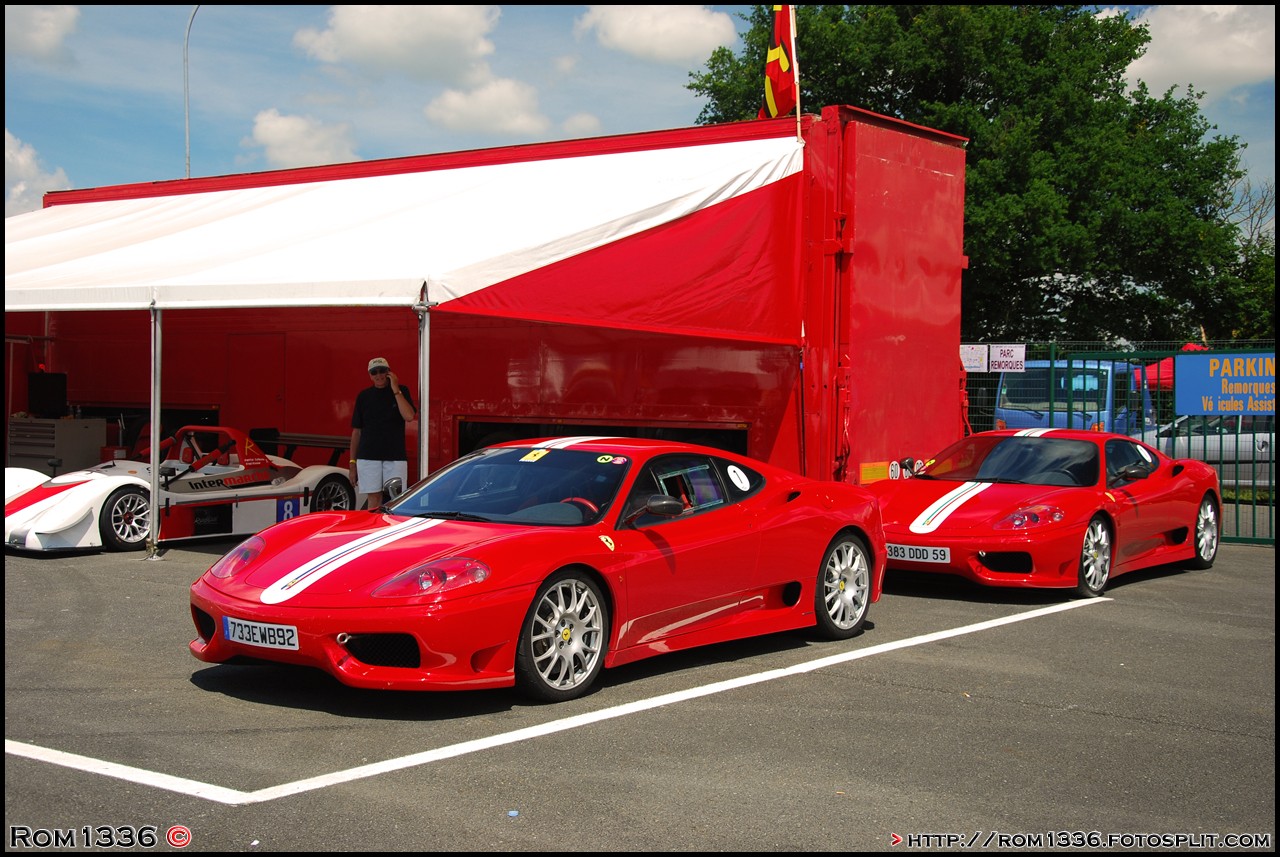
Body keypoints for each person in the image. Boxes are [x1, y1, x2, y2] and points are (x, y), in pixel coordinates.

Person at [349, 357, 416, 511]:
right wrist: (352, 464)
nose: (378, 375)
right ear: (370, 375)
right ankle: (372, 530)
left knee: (397, 498)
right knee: (374, 498)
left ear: (388, 372)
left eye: (382, 371)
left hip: (395, 456)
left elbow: (409, 416)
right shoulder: (364, 396)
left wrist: (395, 389)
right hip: (368, 456)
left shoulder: (401, 390)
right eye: (374, 372)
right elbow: (356, 432)